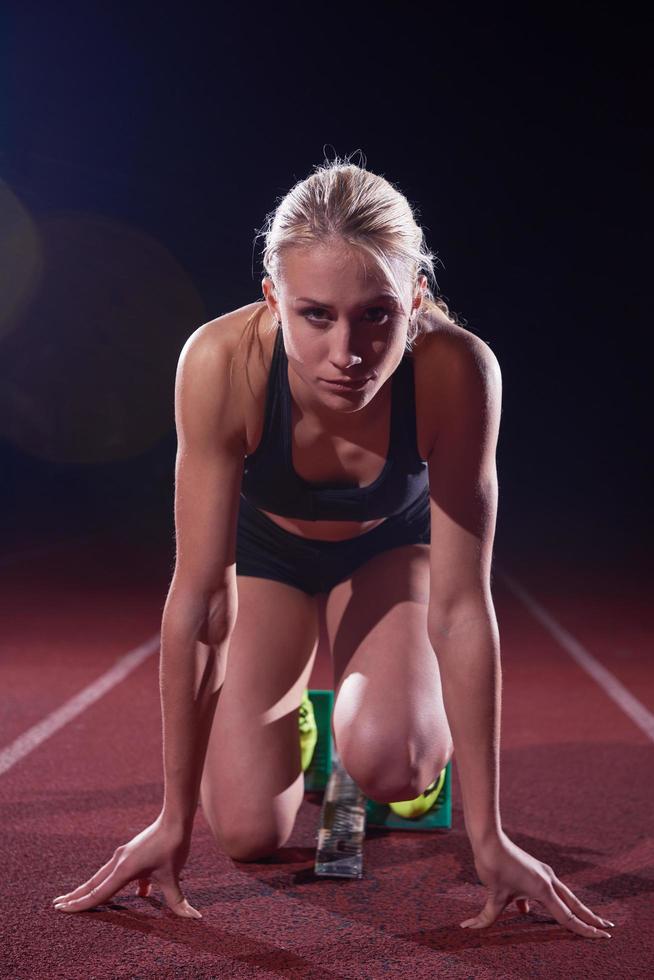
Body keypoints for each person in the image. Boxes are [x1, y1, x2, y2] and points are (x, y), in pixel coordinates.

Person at [52, 157, 614, 939]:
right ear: (272, 299)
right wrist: (171, 821)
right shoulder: (221, 364)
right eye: (316, 315)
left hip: (389, 560)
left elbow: (459, 606)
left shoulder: (456, 370)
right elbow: (204, 600)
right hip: (270, 567)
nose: (348, 351)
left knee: (397, 762)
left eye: (377, 315)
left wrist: (488, 836)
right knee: (246, 833)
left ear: (415, 299)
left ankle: (374, 720)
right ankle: (303, 721)